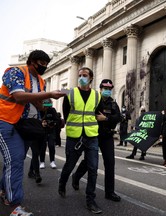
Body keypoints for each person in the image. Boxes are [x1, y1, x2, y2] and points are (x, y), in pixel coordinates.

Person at [0, 50, 65, 216]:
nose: (44, 67)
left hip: (25, 126)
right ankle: (13, 206)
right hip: (6, 121)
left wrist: (46, 108)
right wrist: (49, 94)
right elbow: (19, 97)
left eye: (46, 64)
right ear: (32, 61)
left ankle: (4, 190)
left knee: (16, 159)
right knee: (15, 161)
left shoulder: (41, 81)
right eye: (41, 64)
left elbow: (38, 103)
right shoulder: (15, 72)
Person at [58, 67, 102, 214]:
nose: (81, 77)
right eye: (80, 75)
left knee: (93, 169)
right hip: (74, 137)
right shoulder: (70, 94)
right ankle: (62, 182)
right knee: (69, 165)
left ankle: (91, 201)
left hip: (91, 136)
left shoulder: (97, 95)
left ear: (91, 78)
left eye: (85, 75)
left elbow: (97, 113)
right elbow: (66, 114)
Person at [72, 79, 121, 202]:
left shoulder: (113, 104)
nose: (107, 91)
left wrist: (106, 118)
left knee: (110, 163)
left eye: (109, 89)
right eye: (105, 88)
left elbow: (118, 117)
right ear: (100, 88)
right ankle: (76, 177)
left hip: (107, 137)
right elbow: (87, 113)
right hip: (93, 135)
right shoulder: (95, 100)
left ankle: (110, 192)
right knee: (89, 161)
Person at [39, 99, 59, 169]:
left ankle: (52, 161)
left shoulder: (52, 110)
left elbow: (57, 119)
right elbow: (38, 119)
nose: (46, 107)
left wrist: (53, 123)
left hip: (51, 130)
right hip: (43, 131)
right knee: (43, 146)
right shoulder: (40, 110)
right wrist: (42, 122)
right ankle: (42, 161)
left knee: (51, 145)